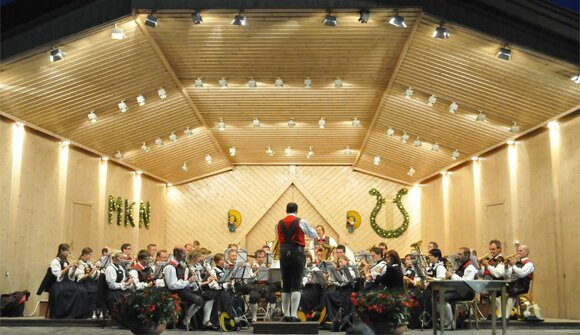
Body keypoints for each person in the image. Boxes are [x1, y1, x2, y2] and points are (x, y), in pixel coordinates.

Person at [277, 202, 318, 322]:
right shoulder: (301, 221)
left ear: (286, 210)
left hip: (284, 252)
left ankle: (286, 314)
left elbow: (279, 237)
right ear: (296, 210)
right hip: (297, 253)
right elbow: (313, 234)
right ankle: (293, 315)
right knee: (296, 283)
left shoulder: (279, 223)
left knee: (286, 284)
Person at [163, 246, 204, 330]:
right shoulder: (170, 267)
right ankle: (186, 321)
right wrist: (188, 281)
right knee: (198, 300)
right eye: (183, 253)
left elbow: (183, 281)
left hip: (181, 290)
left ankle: (192, 322)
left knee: (203, 297)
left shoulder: (181, 265)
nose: (185, 255)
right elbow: (172, 285)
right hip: (173, 292)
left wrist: (192, 282)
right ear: (177, 254)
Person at [48, 243, 89, 319]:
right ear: (61, 251)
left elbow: (70, 276)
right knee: (72, 291)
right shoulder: (55, 261)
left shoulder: (66, 261)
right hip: (58, 282)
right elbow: (58, 275)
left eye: (69, 251)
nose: (69, 253)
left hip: (67, 281)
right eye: (67, 251)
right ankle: (64, 314)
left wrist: (74, 268)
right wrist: (68, 267)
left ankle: (76, 314)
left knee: (81, 290)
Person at [503, 244, 534, 319]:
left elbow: (522, 274)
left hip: (523, 285)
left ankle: (506, 316)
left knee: (513, 291)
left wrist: (513, 265)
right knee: (501, 289)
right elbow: (507, 275)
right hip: (514, 284)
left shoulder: (529, 264)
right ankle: (501, 314)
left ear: (526, 252)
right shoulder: (516, 263)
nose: (518, 252)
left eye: (520, 251)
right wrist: (506, 267)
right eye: (518, 251)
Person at [73, 247, 100, 317]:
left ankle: (94, 310)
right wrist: (91, 272)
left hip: (89, 281)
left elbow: (93, 275)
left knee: (99, 289)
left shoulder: (89, 263)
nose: (91, 257)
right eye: (89, 255)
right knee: (94, 290)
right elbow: (80, 277)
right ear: (84, 254)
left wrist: (96, 271)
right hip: (81, 282)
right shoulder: (79, 263)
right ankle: (89, 312)